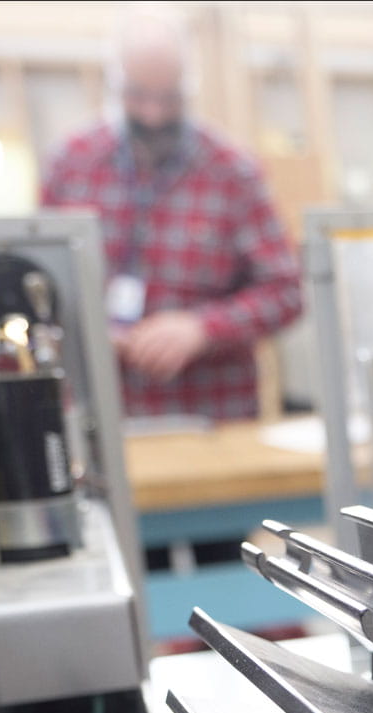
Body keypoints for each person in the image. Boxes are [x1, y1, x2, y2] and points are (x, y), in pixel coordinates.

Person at [41, 8, 302, 420]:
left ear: (190, 86)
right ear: (114, 85)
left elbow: (286, 291)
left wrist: (203, 328)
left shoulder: (232, 171)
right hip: (103, 412)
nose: (153, 115)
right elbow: (38, 286)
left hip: (213, 414)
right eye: (138, 95)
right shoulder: (71, 164)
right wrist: (90, 329)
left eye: (169, 97)